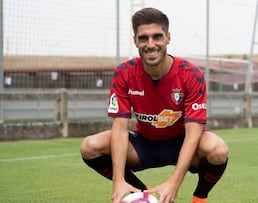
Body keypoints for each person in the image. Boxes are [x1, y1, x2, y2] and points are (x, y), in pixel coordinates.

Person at [80, 7, 228, 203]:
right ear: (135, 41)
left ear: (168, 37)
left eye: (157, 36)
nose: (150, 44)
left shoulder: (191, 74)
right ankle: (142, 194)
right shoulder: (123, 72)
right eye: (143, 38)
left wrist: (174, 182)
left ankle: (199, 198)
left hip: (181, 143)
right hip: (144, 145)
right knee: (90, 146)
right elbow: (120, 128)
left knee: (217, 148)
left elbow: (193, 133)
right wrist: (118, 179)